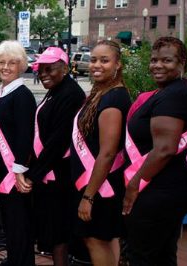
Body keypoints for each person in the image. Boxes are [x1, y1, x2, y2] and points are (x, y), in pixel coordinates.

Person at [121, 37, 187, 266]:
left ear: (182, 62)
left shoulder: (174, 94)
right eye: (154, 60)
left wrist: (134, 185)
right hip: (165, 191)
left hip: (155, 192)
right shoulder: (172, 91)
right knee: (162, 256)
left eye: (167, 60)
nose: (157, 65)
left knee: (141, 256)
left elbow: (165, 149)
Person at [69, 40, 131, 265]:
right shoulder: (103, 92)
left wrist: (88, 197)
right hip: (100, 184)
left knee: (95, 240)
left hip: (100, 188)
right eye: (94, 59)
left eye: (105, 60)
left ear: (118, 64)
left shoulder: (113, 98)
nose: (97, 65)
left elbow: (107, 152)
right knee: (107, 239)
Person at [27, 47, 86, 266]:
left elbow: (58, 141)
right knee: (54, 234)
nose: (43, 74)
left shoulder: (71, 94)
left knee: (59, 234)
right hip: (49, 173)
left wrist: (33, 175)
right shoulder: (57, 90)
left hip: (59, 175)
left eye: (49, 69)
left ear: (64, 67)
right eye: (40, 69)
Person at [0, 40, 38, 266]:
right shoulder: (4, 91)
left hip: (17, 171)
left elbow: (25, 135)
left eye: (12, 63)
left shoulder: (22, 95)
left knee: (19, 222)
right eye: (1, 62)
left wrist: (19, 169)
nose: (5, 67)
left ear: (21, 66)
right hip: (6, 169)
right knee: (10, 221)